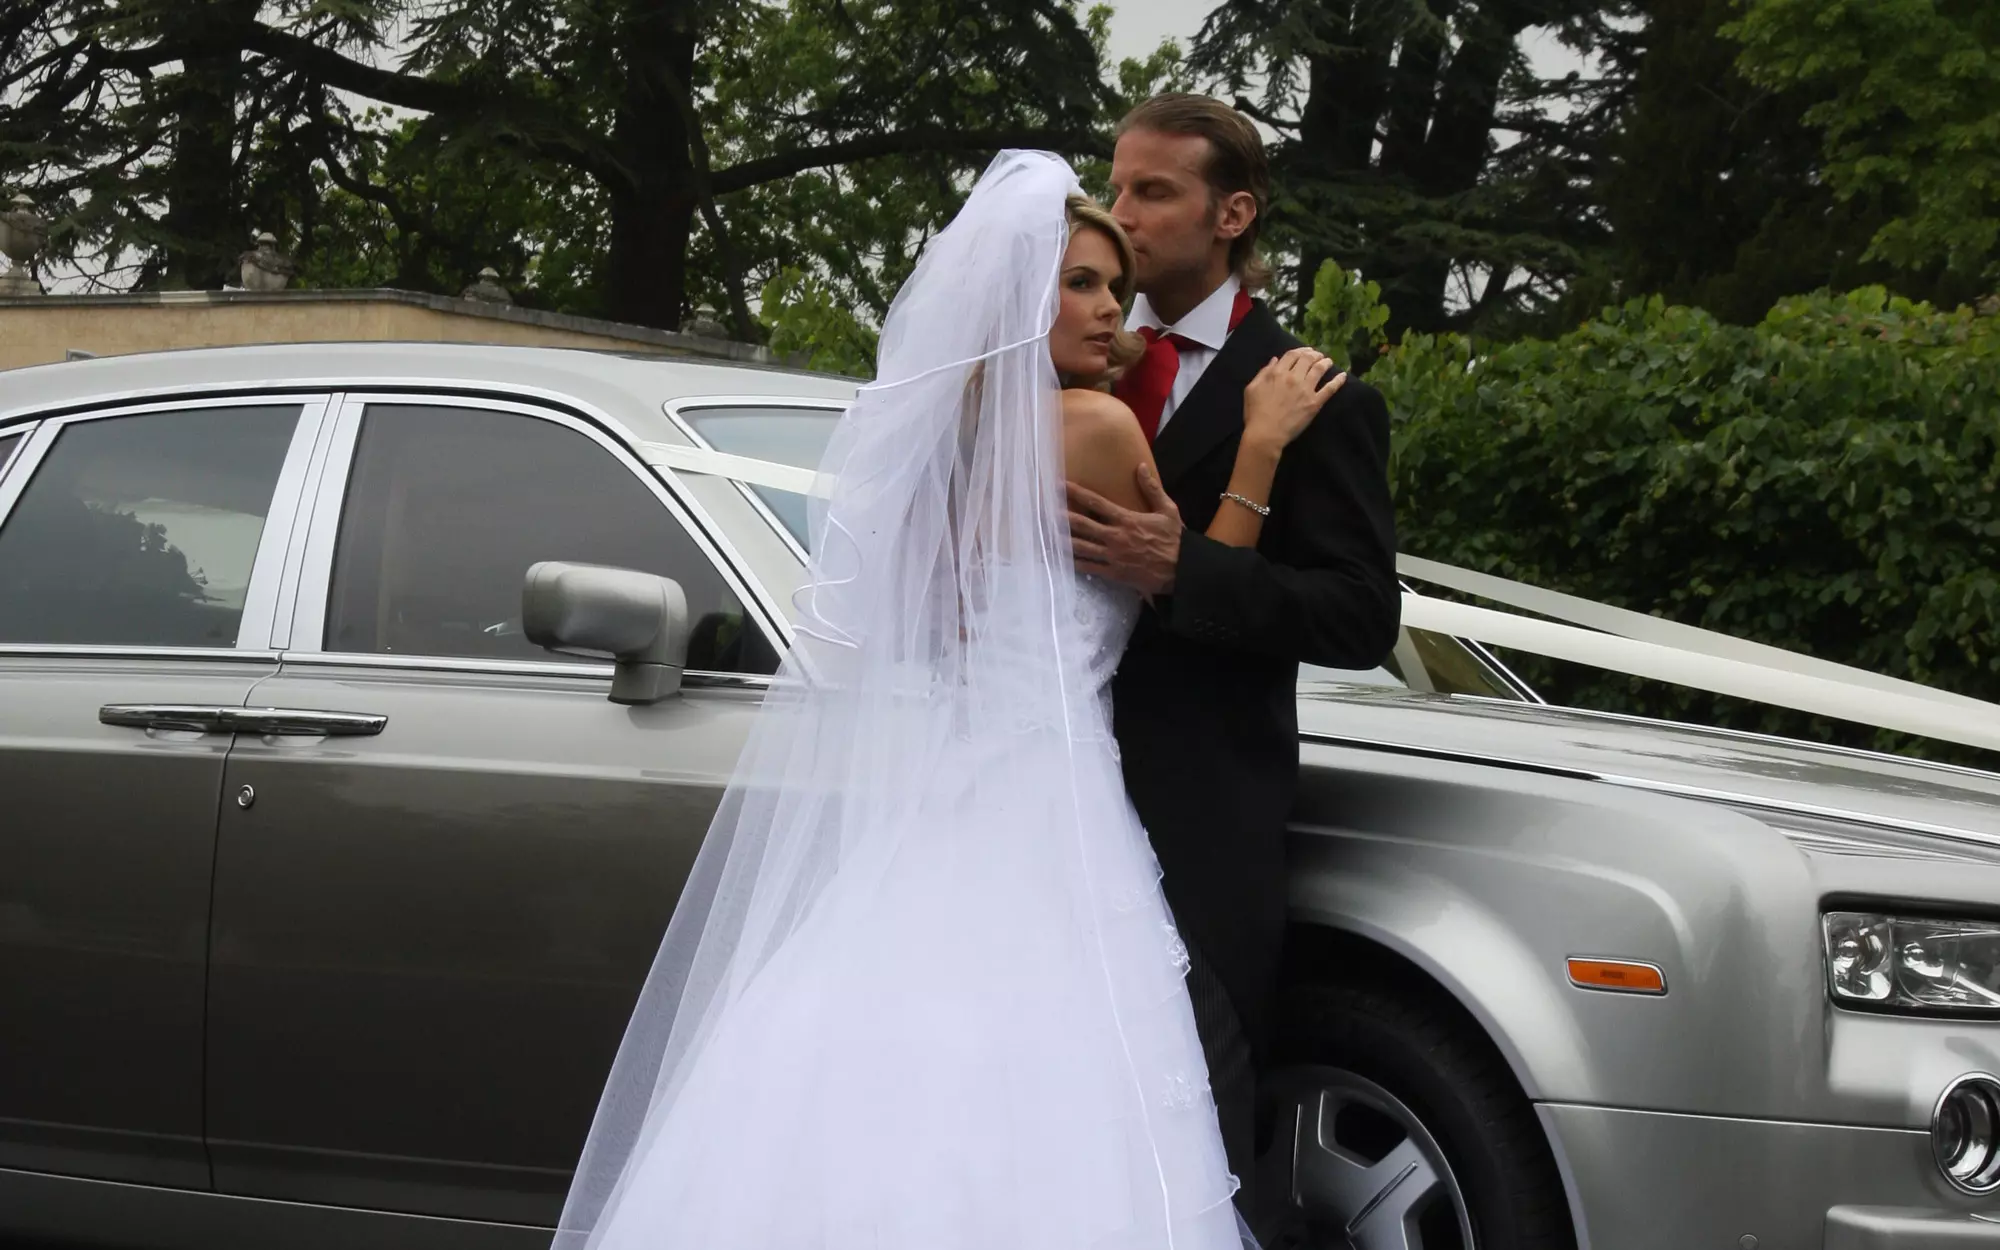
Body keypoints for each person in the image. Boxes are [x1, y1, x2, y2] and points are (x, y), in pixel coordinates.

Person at [551, 151, 1335, 1250]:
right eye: (1079, 283)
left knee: (887, 1053)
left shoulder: (951, 446)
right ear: (1015, 301)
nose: (1109, 309)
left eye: (1112, 285)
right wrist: (1257, 447)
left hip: (945, 788)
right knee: (1056, 1084)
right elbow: (1190, 580)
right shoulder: (1100, 430)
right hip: (1052, 795)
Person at [1066, 93, 1403, 1212]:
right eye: (1116, 186)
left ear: (1232, 214)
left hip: (1200, 819)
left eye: (1153, 191)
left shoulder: (1316, 398)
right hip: (1041, 795)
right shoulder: (1067, 364)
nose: (1123, 212)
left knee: (1195, 1113)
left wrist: (1188, 572)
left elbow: (1359, 615)